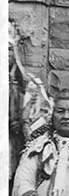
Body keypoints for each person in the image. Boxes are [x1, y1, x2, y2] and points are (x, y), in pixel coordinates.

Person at [8, 19, 53, 182]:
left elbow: (46, 120)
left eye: (8, 49)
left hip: (19, 156)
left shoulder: (30, 86)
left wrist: (24, 124)